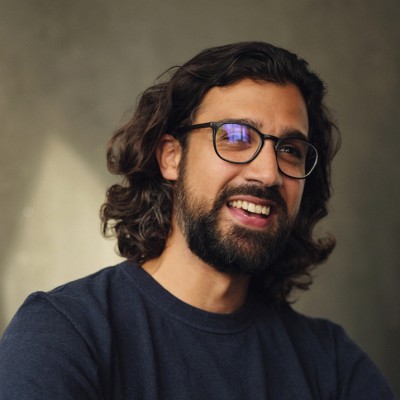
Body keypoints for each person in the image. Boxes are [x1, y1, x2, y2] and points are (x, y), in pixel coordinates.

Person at [0, 41, 396, 399]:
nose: (269, 173)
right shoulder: (64, 334)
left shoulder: (330, 362)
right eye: (236, 136)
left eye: (290, 149)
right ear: (171, 157)